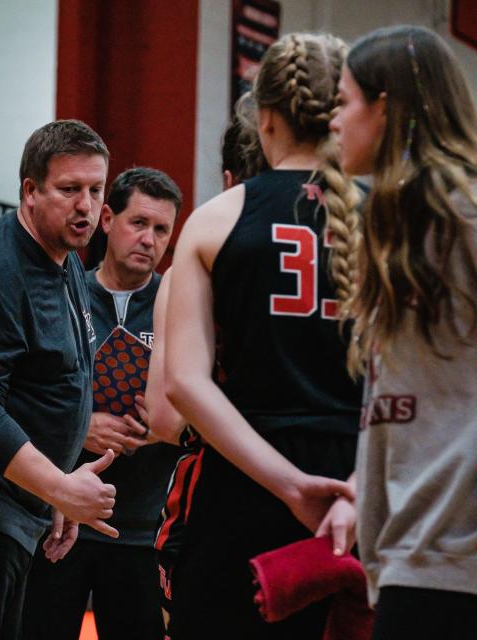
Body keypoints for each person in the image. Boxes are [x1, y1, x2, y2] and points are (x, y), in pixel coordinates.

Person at [162, 33, 364, 639]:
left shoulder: (215, 219)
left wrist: (290, 485)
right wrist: (355, 488)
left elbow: (182, 383)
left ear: (265, 117)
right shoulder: (391, 218)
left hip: (244, 483)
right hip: (364, 487)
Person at [0, 119, 117, 640]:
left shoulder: (69, 261)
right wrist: (57, 485)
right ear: (29, 191)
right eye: (69, 190)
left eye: (95, 190)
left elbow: (57, 387)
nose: (85, 206)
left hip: (25, 512)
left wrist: (55, 494)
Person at [328, 25, 477, 639]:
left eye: (343, 102)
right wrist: (364, 485)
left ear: (385, 108)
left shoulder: (463, 213)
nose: (333, 121)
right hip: (406, 554)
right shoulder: (395, 224)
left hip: (454, 558)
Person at [21, 167, 182, 640]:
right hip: (58, 520)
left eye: (162, 230)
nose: (149, 239)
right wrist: (79, 425)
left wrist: (169, 423)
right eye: (139, 223)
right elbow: (21, 393)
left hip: (142, 530)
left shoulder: (178, 304)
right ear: (107, 219)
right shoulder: (63, 291)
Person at [144, 92, 269, 623]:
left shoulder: (204, 249)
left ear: (227, 178)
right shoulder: (355, 233)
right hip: (331, 486)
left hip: (221, 492)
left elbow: (167, 417)